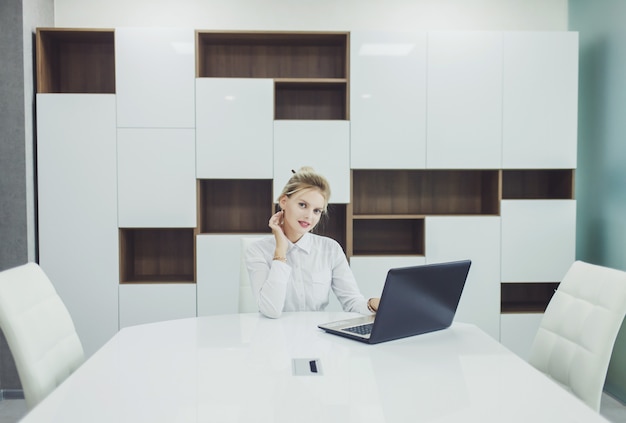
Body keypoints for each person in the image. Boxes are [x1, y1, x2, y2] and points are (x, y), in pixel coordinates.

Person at [245, 166, 380, 318]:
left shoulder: (330, 249)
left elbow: (352, 302)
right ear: (284, 201)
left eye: (317, 211)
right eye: (302, 205)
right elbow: (271, 311)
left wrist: (374, 303)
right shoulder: (257, 250)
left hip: (317, 337)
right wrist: (280, 251)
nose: (309, 216)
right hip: (274, 337)